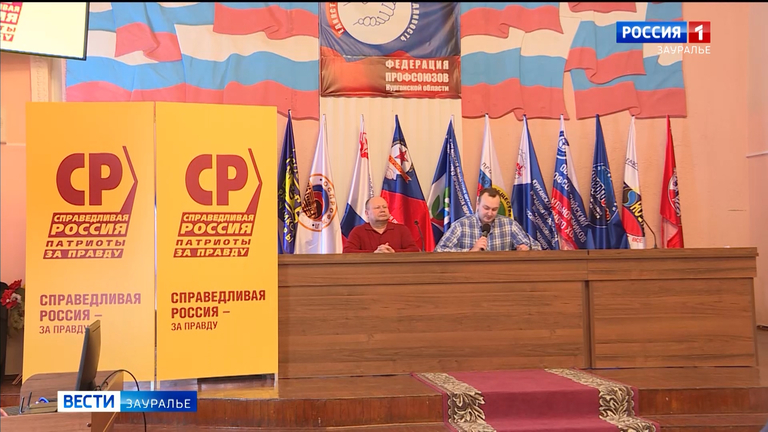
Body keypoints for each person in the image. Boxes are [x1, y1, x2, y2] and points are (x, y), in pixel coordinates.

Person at [435, 187, 542, 252]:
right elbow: (439, 250)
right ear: (478, 204)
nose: (490, 213)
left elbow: (536, 247)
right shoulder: (461, 225)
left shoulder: (509, 225)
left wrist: (526, 249)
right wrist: (470, 251)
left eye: (494, 209)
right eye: (486, 208)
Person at [343, 196, 421, 253]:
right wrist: (374, 253)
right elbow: (347, 251)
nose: (382, 210)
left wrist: (394, 252)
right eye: (377, 208)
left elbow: (414, 250)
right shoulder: (358, 231)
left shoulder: (401, 229)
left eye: (384, 207)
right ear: (367, 213)